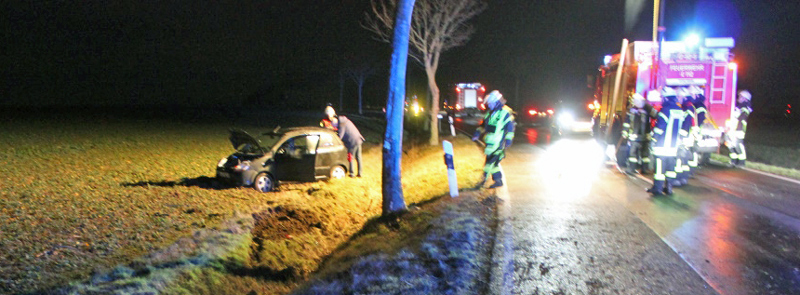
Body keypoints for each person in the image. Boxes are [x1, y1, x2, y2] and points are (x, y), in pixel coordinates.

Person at [472, 90, 516, 188]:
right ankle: (498, 181)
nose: (489, 105)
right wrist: (477, 132)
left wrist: (509, 139)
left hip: (499, 143)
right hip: (489, 142)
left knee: (489, 163)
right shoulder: (489, 113)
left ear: (496, 102)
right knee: (494, 164)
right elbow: (483, 125)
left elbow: (510, 127)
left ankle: (482, 182)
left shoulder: (505, 112)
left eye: (490, 103)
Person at [647, 87, 685, 196]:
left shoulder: (666, 110)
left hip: (662, 146)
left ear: (666, 98)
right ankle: (669, 188)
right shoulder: (679, 110)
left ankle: (657, 189)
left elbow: (660, 127)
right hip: (673, 147)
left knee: (659, 169)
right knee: (670, 168)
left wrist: (653, 140)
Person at [622, 93, 652, 175]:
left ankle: (637, 169)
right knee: (636, 154)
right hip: (639, 137)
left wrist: (625, 133)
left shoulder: (644, 110)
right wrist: (625, 132)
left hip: (640, 137)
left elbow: (627, 123)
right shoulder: (634, 111)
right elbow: (627, 123)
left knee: (640, 154)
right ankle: (635, 169)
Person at [674, 87, 695, 186]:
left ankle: (679, 179)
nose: (678, 98)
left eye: (679, 96)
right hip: (686, 137)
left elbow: (687, 122)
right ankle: (683, 178)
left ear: (684, 97)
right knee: (684, 159)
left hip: (684, 137)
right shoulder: (687, 106)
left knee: (679, 158)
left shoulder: (688, 108)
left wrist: (681, 136)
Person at [729, 90, 752, 167]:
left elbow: (740, 116)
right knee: (732, 145)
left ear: (745, 99)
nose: (739, 98)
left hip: (739, 129)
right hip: (734, 128)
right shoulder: (740, 106)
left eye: (741, 97)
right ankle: (733, 161)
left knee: (738, 145)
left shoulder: (744, 107)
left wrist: (736, 113)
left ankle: (741, 163)